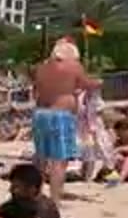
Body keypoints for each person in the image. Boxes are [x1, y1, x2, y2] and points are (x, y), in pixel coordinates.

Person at [33, 38, 101, 203]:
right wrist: (98, 82)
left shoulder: (41, 68)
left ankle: (34, 196)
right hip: (60, 116)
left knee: (41, 158)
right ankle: (55, 200)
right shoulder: (73, 67)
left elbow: (37, 90)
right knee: (59, 160)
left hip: (40, 114)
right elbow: (86, 83)